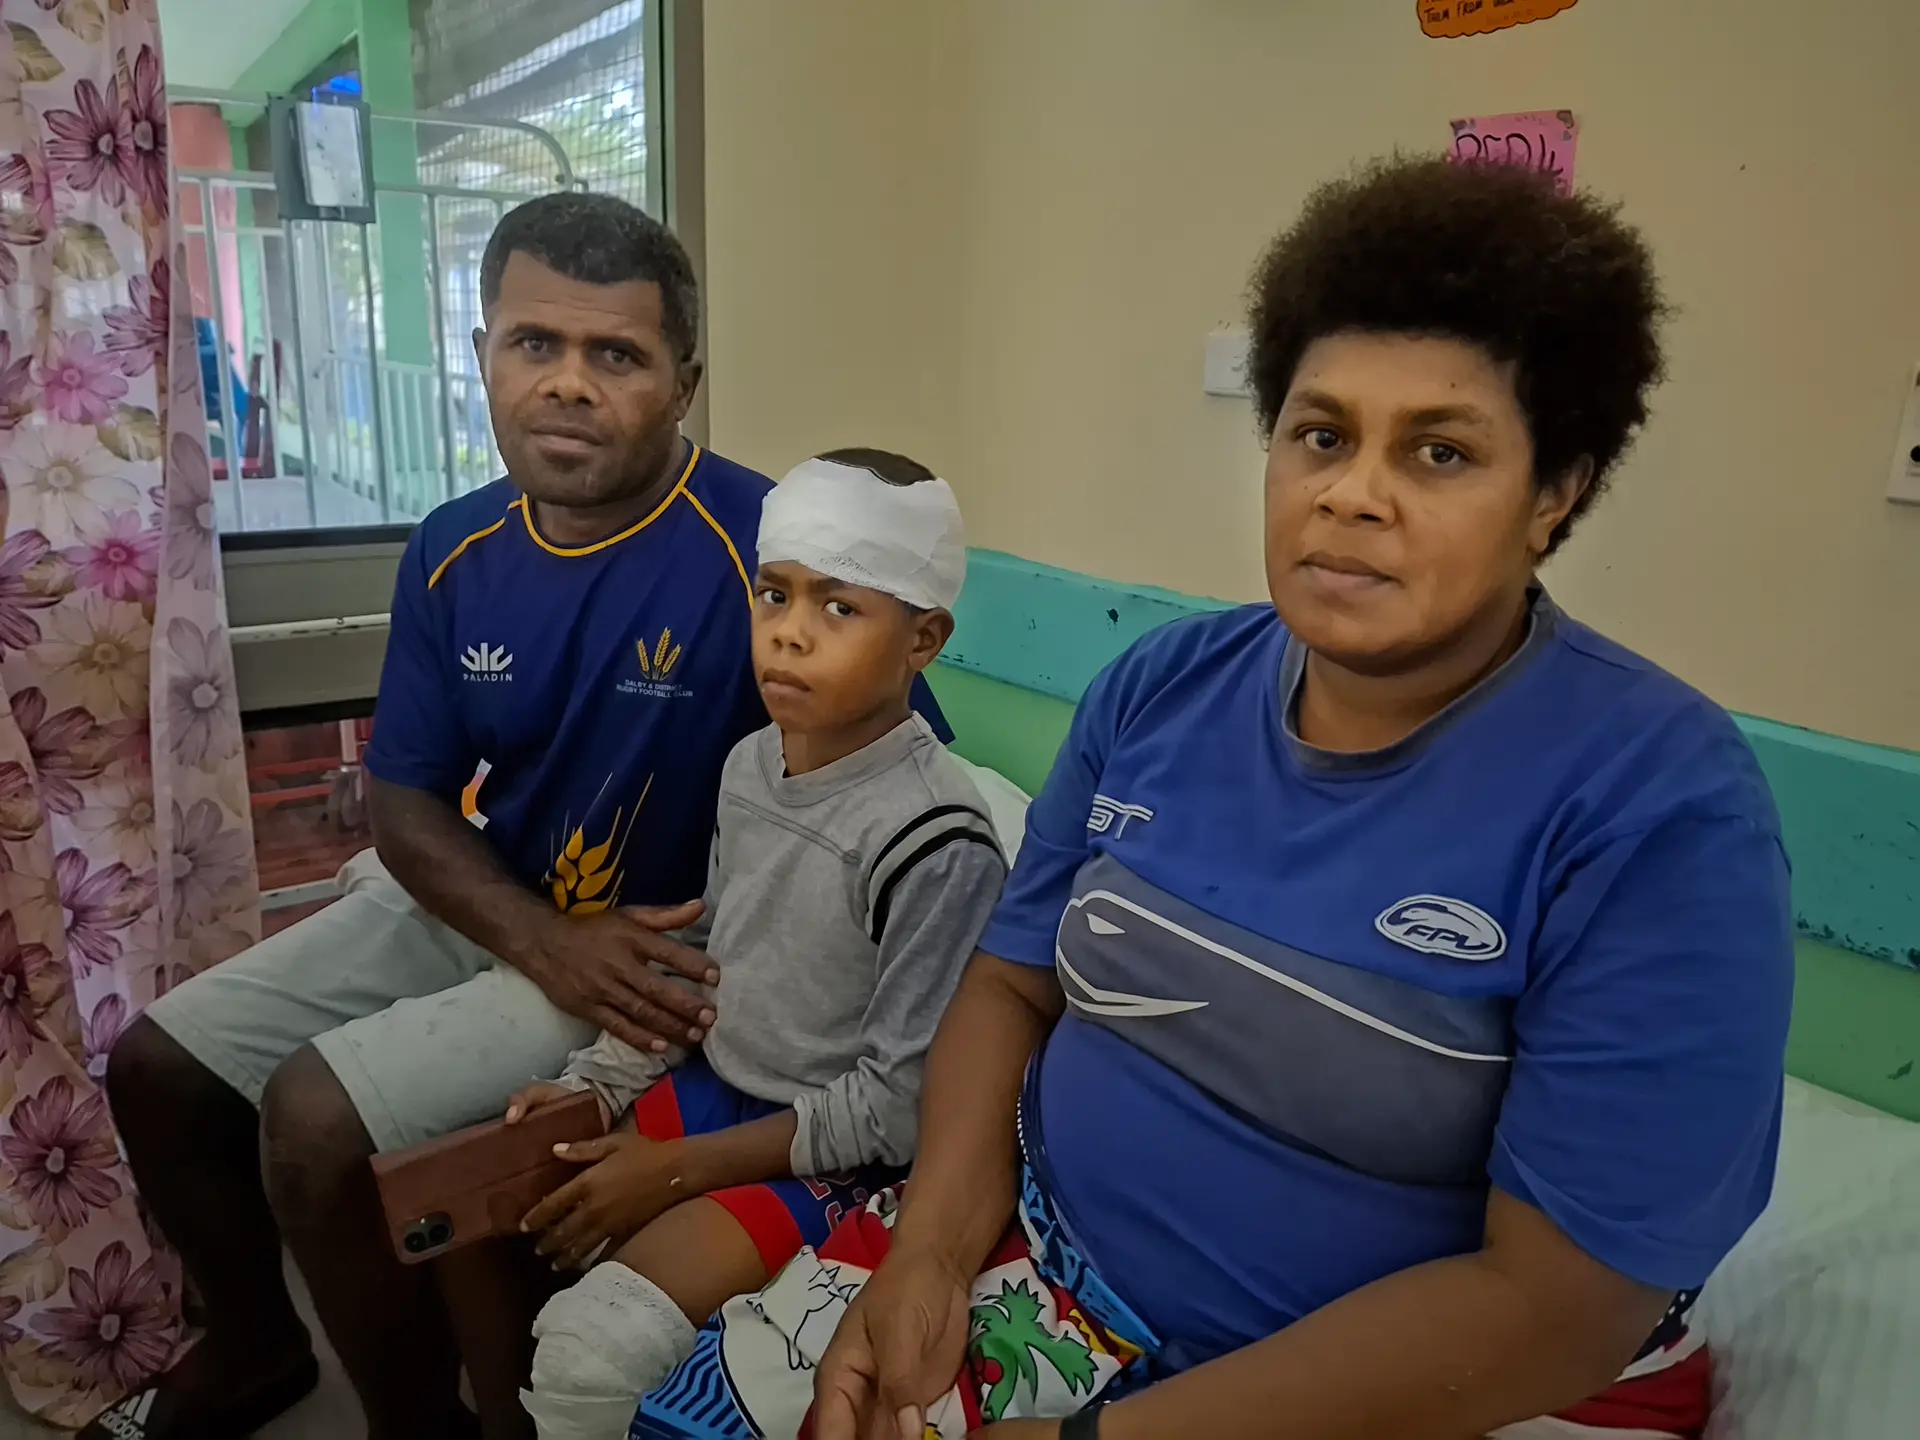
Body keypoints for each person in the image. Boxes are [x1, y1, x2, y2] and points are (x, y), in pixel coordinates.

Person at [634, 157, 1796, 1440]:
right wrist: (929, 1258)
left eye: (1442, 450)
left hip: (1419, 1388)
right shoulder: (1160, 691)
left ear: (1555, 496)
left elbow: (1559, 1304)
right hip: (1051, 1268)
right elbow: (1011, 982)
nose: (1354, 491)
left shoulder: (1656, 809)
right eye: (1321, 434)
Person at [93, 196, 949, 1440]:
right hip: (504, 905)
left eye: (617, 355)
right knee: (157, 1068)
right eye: (532, 345)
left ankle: (412, 1425)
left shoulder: (769, 555)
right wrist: (536, 934)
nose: (567, 385)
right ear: (483, 354)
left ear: (684, 384)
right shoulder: (453, 547)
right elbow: (402, 794)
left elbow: (894, 775)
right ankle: (259, 1348)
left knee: (313, 1120)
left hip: (645, 956)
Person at [499, 450, 1008, 1440]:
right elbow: (710, 957)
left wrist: (679, 1170)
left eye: (839, 608)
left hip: (838, 1157)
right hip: (719, 1086)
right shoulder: (749, 765)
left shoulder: (936, 840)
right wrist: (603, 1076)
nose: (789, 634)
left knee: (593, 1348)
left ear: (924, 639)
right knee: (521, 1218)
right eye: (775, 594)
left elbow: (900, 1109)